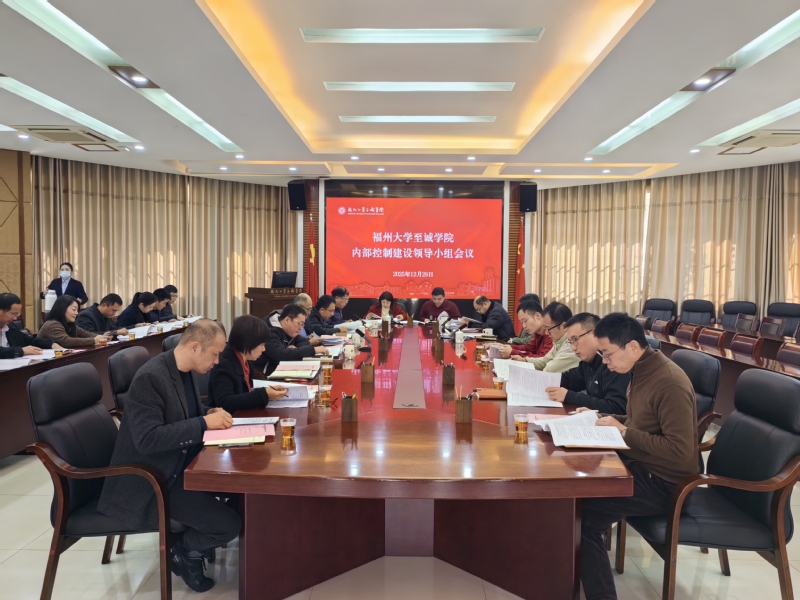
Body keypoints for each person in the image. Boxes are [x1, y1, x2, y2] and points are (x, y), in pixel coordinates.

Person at [98, 320, 241, 592]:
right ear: (195, 347)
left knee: (240, 494)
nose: (217, 361)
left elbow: (181, 414)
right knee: (228, 525)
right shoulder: (152, 377)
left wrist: (207, 413)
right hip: (154, 480)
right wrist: (202, 423)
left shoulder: (184, 370)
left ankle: (194, 544)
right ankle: (184, 552)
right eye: (214, 354)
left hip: (180, 464)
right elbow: (148, 439)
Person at [577, 313, 698, 600]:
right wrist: (600, 416)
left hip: (667, 484)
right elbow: (637, 422)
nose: (605, 362)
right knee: (578, 493)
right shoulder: (640, 370)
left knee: (583, 519)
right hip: (644, 466)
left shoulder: (669, 382)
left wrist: (624, 432)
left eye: (608, 355)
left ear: (632, 346)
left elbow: (680, 450)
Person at [544, 312, 629, 414]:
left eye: (575, 339)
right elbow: (569, 380)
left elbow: (617, 408)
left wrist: (569, 396)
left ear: (595, 334)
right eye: (571, 342)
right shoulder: (589, 362)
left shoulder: (613, 363)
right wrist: (535, 380)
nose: (573, 347)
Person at [207, 315, 288, 412]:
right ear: (249, 343)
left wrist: (275, 386)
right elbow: (225, 402)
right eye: (262, 345)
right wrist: (264, 394)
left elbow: (252, 382)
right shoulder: (225, 364)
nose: (264, 349)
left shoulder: (244, 359)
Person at [252, 304, 329, 375]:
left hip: (280, 369)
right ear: (287, 320)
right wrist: (313, 350)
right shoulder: (269, 331)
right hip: (264, 375)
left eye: (303, 325)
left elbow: (304, 342)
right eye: (300, 324)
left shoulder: (289, 330)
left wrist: (293, 350)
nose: (301, 328)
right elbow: (282, 355)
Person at [513, 302, 580, 373]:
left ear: (564, 326)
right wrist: (525, 360)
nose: (546, 333)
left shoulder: (571, 345)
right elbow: (545, 360)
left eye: (548, 328)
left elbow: (549, 369)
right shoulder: (559, 341)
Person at [0, 292, 61, 358]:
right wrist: (21, 351)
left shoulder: (11, 327)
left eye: (17, 314)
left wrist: (51, 344)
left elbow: (28, 340)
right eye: (13, 314)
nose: (15, 318)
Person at [37, 295, 110, 348]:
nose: (77, 313)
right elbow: (66, 341)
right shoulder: (52, 324)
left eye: (77, 310)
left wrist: (101, 337)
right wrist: (93, 340)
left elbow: (84, 333)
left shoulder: (69, 324)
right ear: (63, 309)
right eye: (74, 309)